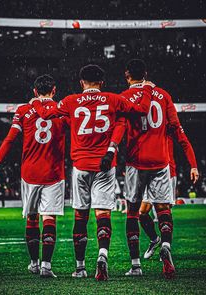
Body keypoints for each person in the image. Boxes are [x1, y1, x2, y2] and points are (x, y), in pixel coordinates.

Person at [30, 64, 154, 280]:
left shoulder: (70, 101)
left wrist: (40, 99)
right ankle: (103, 254)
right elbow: (141, 110)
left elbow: (45, 114)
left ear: (81, 83)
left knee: (80, 216)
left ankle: (80, 268)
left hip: (80, 166)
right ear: (102, 83)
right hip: (104, 165)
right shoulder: (114, 99)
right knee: (102, 214)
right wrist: (146, 88)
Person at [0, 74, 69, 278]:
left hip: (30, 172)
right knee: (49, 218)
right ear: (54, 90)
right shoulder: (62, 111)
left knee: (32, 218)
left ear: (34, 91)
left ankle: (33, 263)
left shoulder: (23, 110)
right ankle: (46, 266)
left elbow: (10, 139)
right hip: (54, 173)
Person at [121, 58, 196, 279]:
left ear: (127, 76)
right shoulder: (164, 95)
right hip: (161, 161)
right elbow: (178, 132)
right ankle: (164, 244)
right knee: (163, 209)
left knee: (133, 212)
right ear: (145, 74)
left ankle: (135, 266)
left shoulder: (124, 97)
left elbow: (119, 128)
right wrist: (192, 164)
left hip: (136, 161)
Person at [141, 132, 199, 260]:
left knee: (165, 212)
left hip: (167, 172)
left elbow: (184, 142)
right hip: (148, 171)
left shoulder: (168, 121)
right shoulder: (146, 118)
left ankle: (165, 247)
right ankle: (155, 240)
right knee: (142, 212)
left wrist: (193, 166)